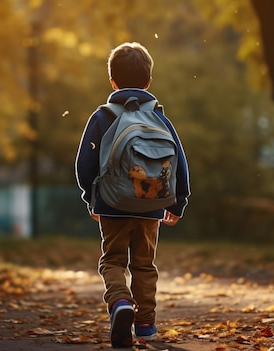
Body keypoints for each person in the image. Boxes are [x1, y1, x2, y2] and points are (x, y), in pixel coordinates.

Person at [75, 42, 190, 348]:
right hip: (152, 204)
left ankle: (119, 303)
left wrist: (92, 197)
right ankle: (147, 324)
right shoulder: (160, 118)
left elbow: (84, 164)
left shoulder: (102, 117)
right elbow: (179, 159)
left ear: (112, 80)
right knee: (144, 265)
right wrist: (178, 202)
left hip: (112, 203)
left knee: (112, 260)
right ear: (149, 81)